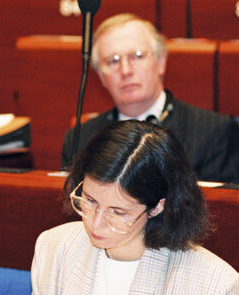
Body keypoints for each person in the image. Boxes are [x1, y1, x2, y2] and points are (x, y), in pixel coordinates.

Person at [0, 120, 238, 295]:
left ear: (157, 206)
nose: (96, 224)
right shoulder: (54, 248)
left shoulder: (217, 288)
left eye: (118, 213)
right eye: (90, 201)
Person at [61, 13, 239, 183]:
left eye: (136, 56)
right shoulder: (80, 139)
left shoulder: (213, 131)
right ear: (101, 76)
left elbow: (220, 209)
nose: (125, 71)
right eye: (113, 61)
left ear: (161, 62)